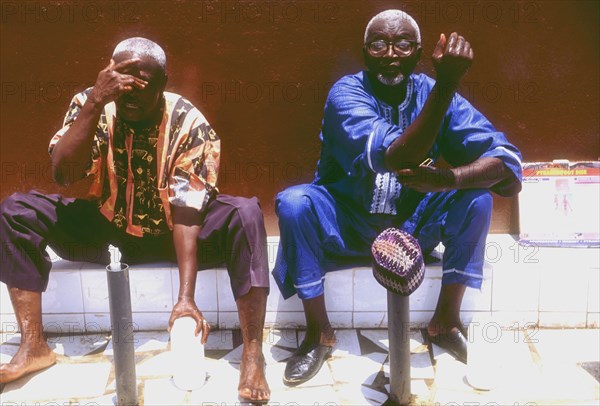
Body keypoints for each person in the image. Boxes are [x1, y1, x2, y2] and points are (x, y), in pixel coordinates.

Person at [0, 37, 270, 402]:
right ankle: (33, 346)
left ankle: (253, 355)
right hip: (108, 232)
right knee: (16, 210)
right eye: (120, 80)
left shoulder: (188, 121)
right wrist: (96, 101)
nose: (127, 93)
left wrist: (185, 298)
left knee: (247, 213)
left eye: (139, 84)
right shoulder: (93, 104)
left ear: (161, 83)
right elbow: (63, 172)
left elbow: (188, 211)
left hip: (175, 233)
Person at [273, 9, 523, 385]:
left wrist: (447, 179)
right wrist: (446, 85)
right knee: (294, 203)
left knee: (476, 198)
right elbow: (396, 157)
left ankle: (445, 322)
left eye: (403, 44)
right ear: (364, 52)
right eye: (379, 44)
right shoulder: (347, 93)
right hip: (346, 221)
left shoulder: (433, 91)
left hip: (410, 228)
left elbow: (509, 165)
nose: (391, 54)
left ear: (419, 52)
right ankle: (318, 332)